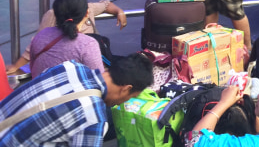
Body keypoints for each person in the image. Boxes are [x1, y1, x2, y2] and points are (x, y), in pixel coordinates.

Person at [0, 54, 153, 146]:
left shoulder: (69, 66)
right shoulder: (93, 118)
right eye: (130, 97)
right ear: (126, 88)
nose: (123, 102)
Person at [6, 0, 127, 75]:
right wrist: (17, 66)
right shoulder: (87, 44)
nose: (72, 0)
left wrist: (119, 12)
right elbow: (98, 80)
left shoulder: (90, 9)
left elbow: (105, 5)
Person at [30, 0, 105, 77]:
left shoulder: (41, 35)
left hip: (41, 89)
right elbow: (99, 81)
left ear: (55, 14)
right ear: (87, 13)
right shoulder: (88, 44)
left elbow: (33, 69)